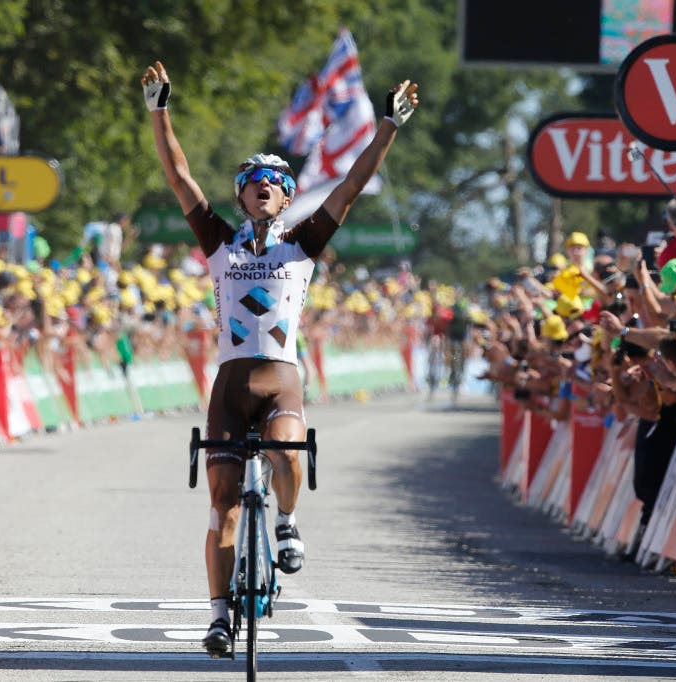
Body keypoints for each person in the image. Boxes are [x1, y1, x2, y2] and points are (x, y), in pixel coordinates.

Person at [142, 59, 418, 656]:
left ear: (287, 195)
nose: (263, 184)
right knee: (221, 503)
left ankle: (288, 522)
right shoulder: (218, 240)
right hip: (229, 385)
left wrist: (389, 126)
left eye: (274, 179)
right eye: (252, 179)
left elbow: (349, 184)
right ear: (241, 194)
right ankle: (218, 616)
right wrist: (160, 112)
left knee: (288, 450)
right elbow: (179, 176)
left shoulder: (303, 243)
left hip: (279, 380)